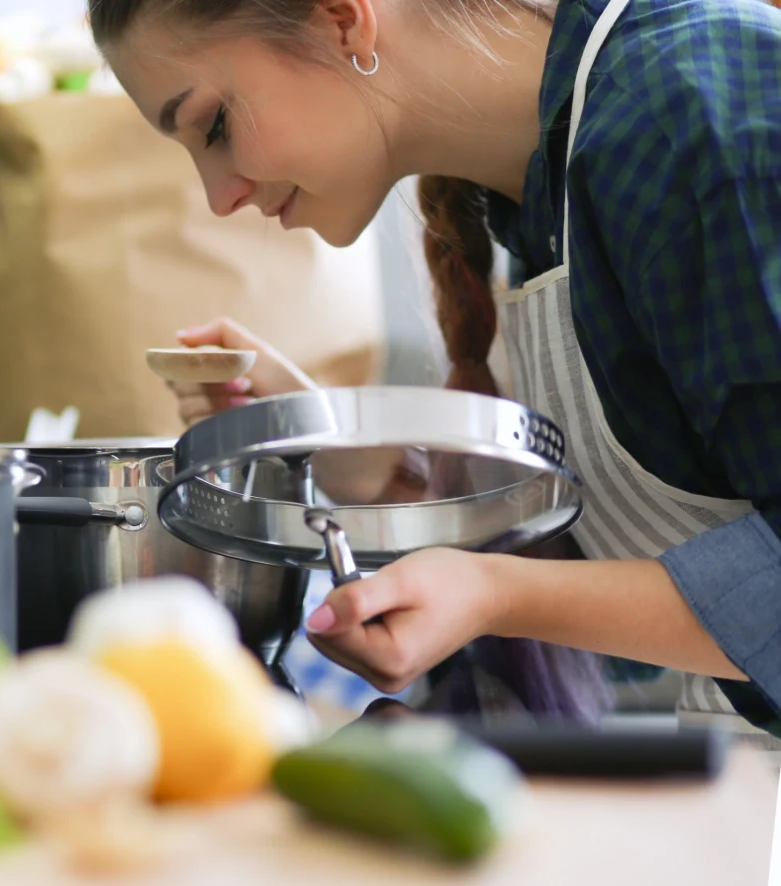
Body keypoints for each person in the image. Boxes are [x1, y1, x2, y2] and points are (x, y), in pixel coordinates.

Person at [87, 0, 781, 750]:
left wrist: (494, 594)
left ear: (340, 19)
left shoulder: (692, 114)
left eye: (214, 125)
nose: (220, 198)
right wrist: (353, 455)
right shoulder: (539, 192)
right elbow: (660, 574)